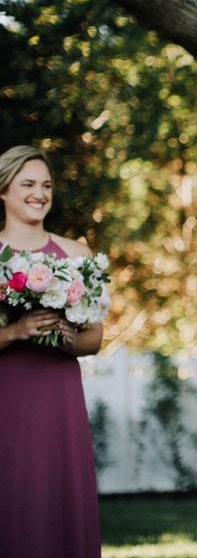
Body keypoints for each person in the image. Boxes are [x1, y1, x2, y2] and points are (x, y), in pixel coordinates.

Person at [0, 145, 104, 558]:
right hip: (7, 392)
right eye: (27, 184)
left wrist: (63, 336)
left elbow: (94, 339)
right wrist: (16, 331)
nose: (39, 193)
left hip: (57, 393)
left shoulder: (77, 256)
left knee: (55, 492)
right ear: (4, 191)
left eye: (45, 185)